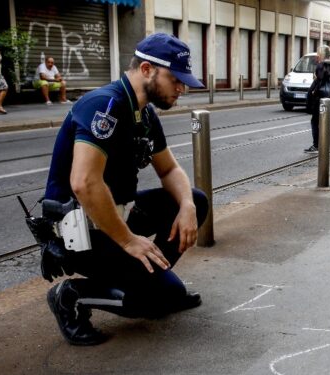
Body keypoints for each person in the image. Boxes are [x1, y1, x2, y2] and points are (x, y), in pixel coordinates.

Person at [41, 33, 208, 346]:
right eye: (175, 79)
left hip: (120, 217)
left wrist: (186, 205)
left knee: (196, 201)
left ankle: (147, 280)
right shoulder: (104, 105)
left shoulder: (144, 113)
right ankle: (72, 296)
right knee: (151, 302)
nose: (181, 89)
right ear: (146, 70)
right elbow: (84, 183)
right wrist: (129, 240)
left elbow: (169, 169)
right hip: (84, 232)